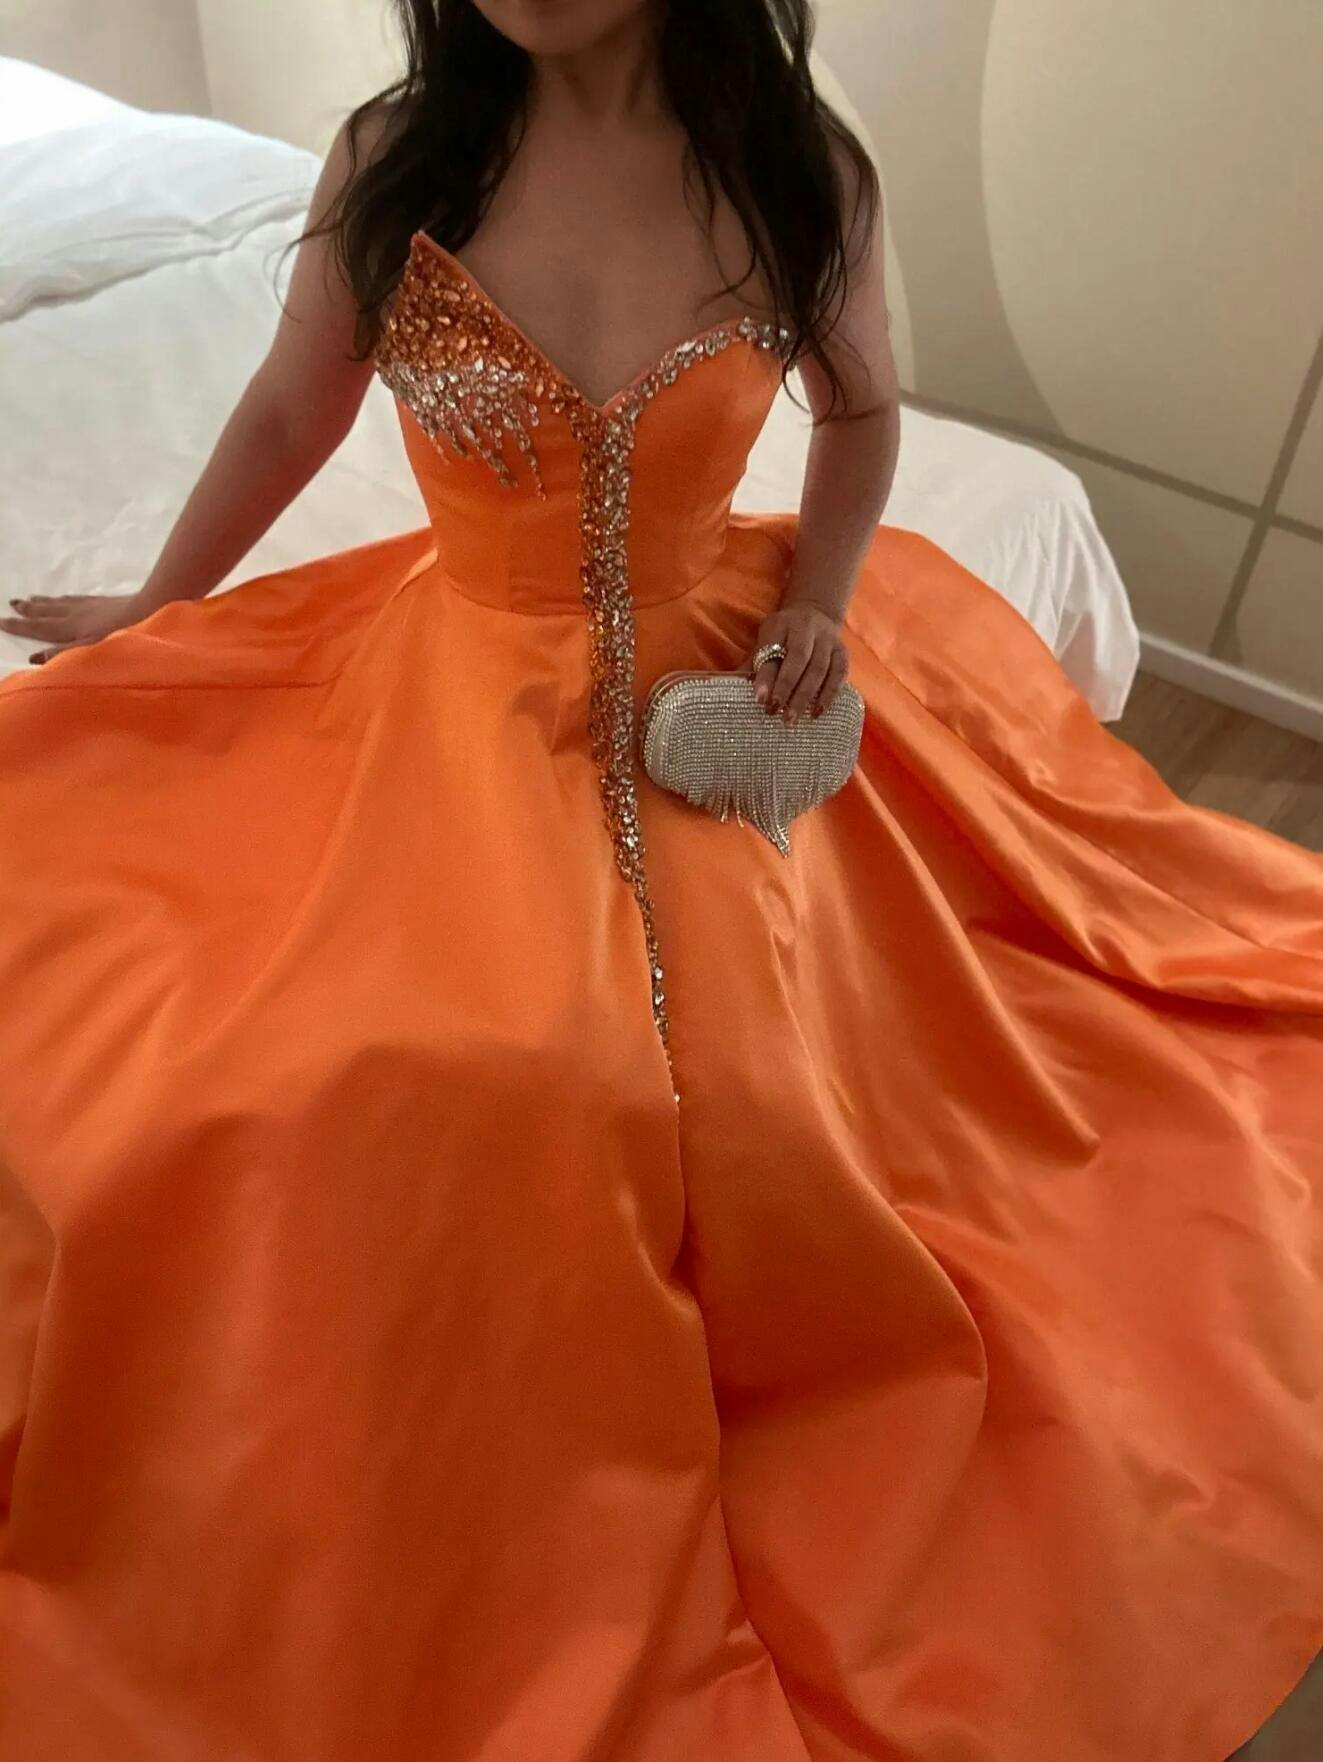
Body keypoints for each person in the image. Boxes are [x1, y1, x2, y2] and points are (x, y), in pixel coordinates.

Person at [0, 2, 1320, 1758]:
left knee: (794, 1076)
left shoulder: (793, 167)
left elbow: (864, 417)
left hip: (719, 681)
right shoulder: (397, 162)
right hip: (453, 693)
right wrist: (162, 608)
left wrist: (822, 604)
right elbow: (289, 405)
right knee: (339, 1070)